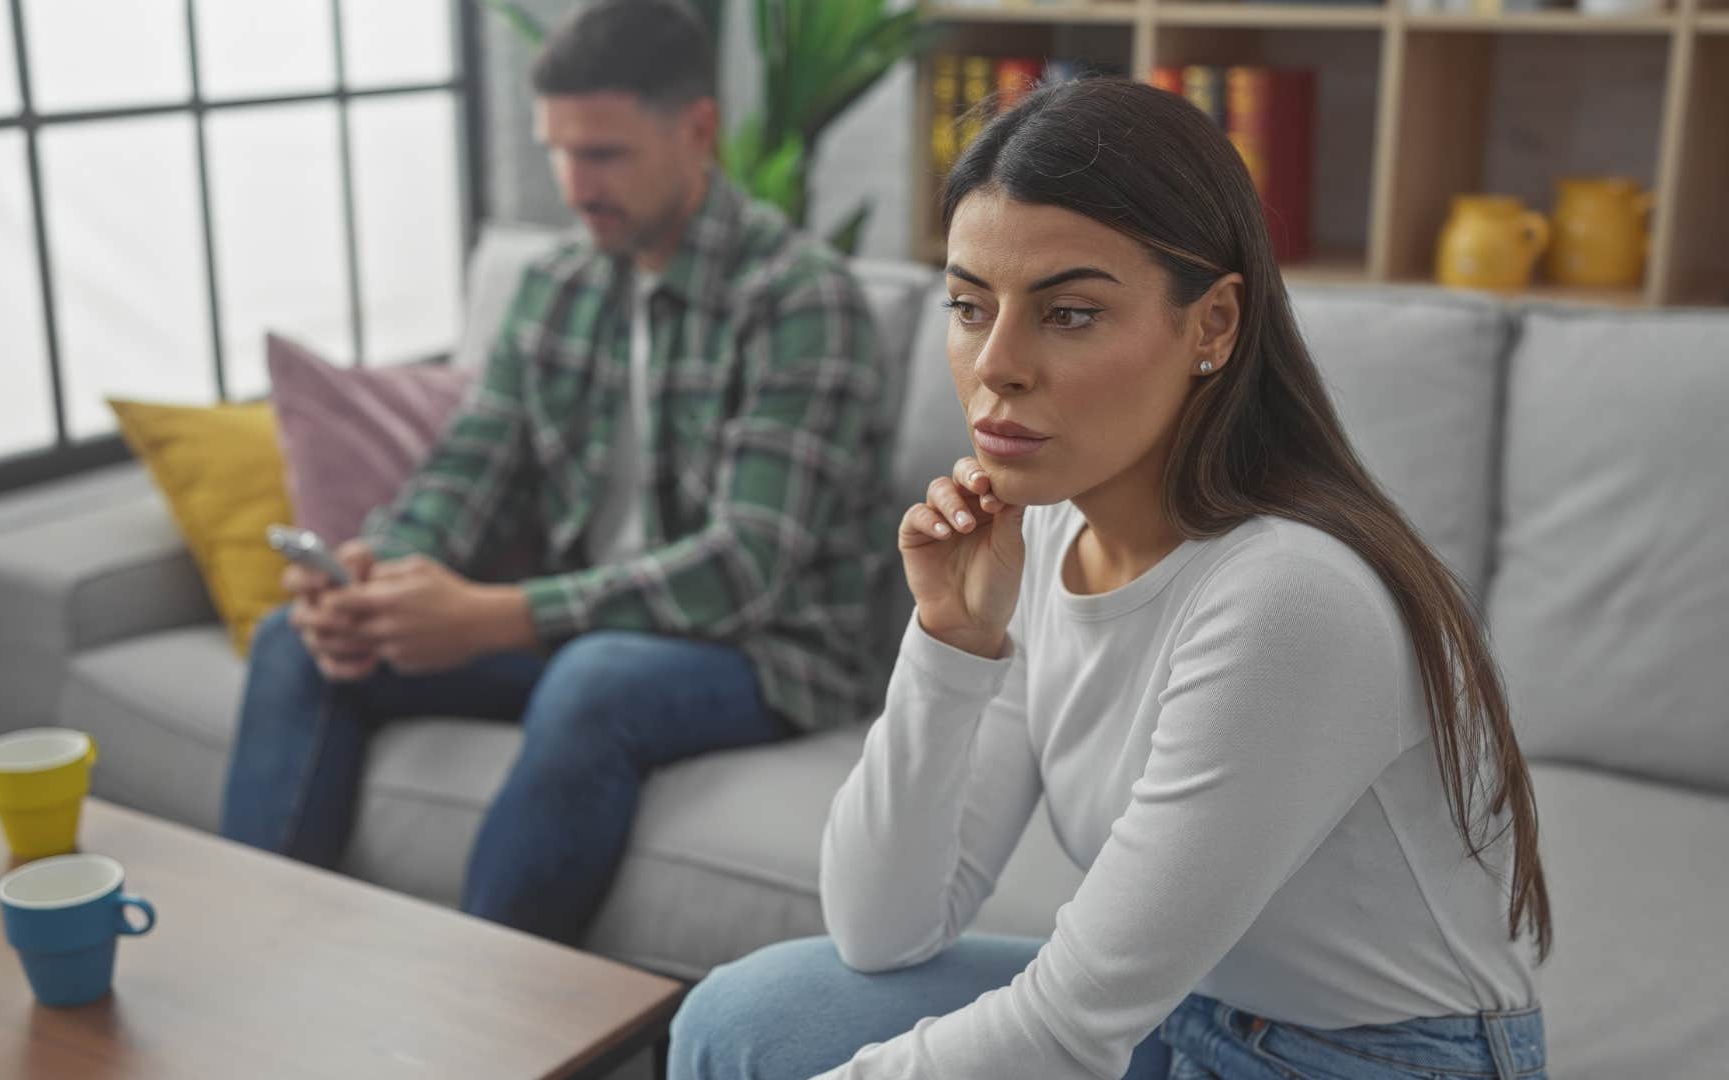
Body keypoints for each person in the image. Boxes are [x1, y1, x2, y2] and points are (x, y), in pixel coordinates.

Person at [669, 77, 1551, 1080]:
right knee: (743, 1018)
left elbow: (1066, 1029)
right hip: (1189, 1014)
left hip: (1374, 1061)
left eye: (1070, 314)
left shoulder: (1290, 600)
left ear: (1214, 325)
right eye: (968, 305)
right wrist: (950, 646)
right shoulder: (1042, 536)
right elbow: (882, 929)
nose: (996, 365)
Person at [218, 0, 890, 947]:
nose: (574, 185)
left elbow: (744, 567)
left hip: (768, 653)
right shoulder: (556, 288)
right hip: (580, 624)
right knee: (298, 639)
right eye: (559, 153)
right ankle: (263, 975)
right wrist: (379, 573)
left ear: (698, 130)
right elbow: (467, 468)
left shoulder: (801, 300)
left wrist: (495, 615)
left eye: (604, 155)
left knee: (596, 676)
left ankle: (485, 1027)